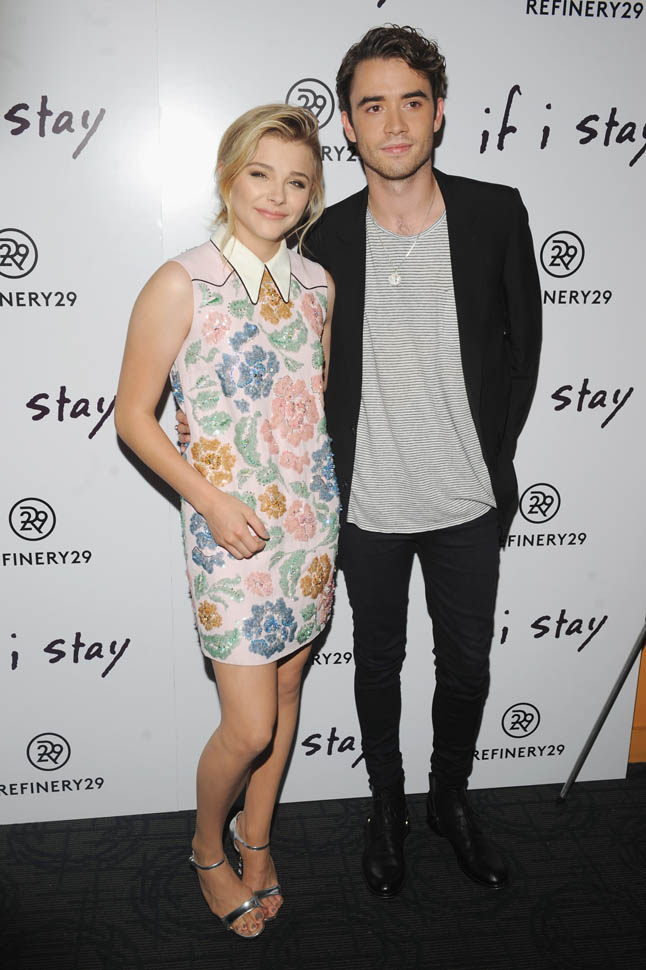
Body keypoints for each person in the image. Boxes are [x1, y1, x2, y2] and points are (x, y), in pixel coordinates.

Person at [178, 24, 541, 898]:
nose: (395, 123)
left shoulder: (497, 213)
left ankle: (449, 799)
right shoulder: (322, 242)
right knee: (375, 667)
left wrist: (493, 461)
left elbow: (523, 352)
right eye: (373, 106)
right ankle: (387, 808)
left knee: (468, 666)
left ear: (439, 111)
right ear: (348, 124)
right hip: (363, 507)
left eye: (412, 101)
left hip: (467, 501)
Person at [115, 104, 339, 938]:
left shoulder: (319, 286)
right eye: (260, 174)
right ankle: (208, 847)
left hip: (310, 529)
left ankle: (258, 837)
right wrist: (209, 500)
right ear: (226, 176)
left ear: (313, 195)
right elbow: (132, 417)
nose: (277, 195)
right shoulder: (183, 282)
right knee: (247, 726)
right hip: (227, 535)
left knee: (286, 691)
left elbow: (310, 408)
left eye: (297, 182)